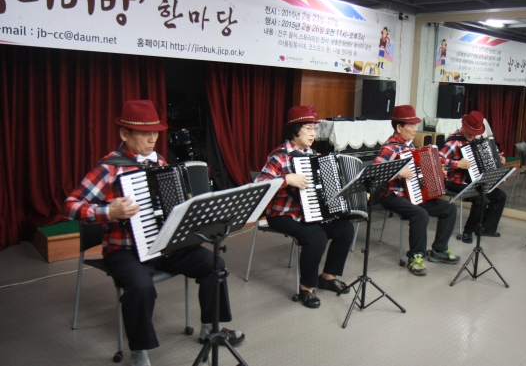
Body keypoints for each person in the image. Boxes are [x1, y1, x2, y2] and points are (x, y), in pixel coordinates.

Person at [64, 100, 243, 366]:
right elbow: (70, 206)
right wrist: (108, 211)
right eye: (145, 133)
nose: (152, 139)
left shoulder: (158, 161)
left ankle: (210, 328)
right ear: (125, 134)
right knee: (140, 286)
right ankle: (139, 352)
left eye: (156, 133)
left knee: (213, 263)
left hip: (164, 245)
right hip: (125, 250)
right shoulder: (109, 169)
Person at [254, 105, 354, 309]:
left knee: (345, 229)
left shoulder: (314, 155)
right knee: (317, 237)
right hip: (282, 214)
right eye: (308, 128)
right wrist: (286, 179)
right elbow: (258, 187)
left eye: (315, 129)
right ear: (295, 130)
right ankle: (307, 287)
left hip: (311, 212)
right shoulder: (279, 156)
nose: (313, 133)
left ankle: (328, 276)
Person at [373, 105, 459, 276]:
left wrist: (439, 172)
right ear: (399, 128)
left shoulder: (410, 146)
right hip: (392, 195)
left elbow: (420, 173)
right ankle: (416, 257)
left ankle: (439, 250)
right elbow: (375, 171)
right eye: (411, 125)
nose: (415, 129)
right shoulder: (390, 147)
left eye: (415, 125)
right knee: (420, 214)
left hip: (413, 195)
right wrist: (398, 172)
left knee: (449, 209)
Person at [439, 111, 507, 244]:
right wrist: (457, 164)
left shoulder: (478, 142)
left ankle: (485, 228)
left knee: (500, 196)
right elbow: (437, 160)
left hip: (475, 182)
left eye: (475, 132)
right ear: (464, 126)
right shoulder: (454, 141)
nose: (472, 135)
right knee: (481, 199)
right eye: (470, 131)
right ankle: (468, 231)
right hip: (455, 182)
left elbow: (487, 161)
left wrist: (498, 160)